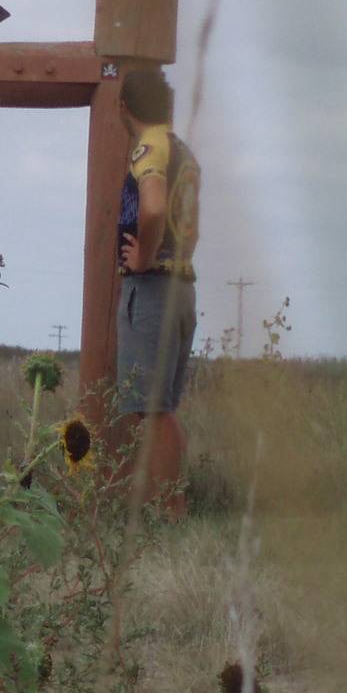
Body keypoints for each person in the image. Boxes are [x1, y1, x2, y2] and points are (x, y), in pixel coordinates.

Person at [113, 64, 199, 514]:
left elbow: (153, 207)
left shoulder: (150, 147)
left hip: (153, 287)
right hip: (183, 283)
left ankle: (170, 510)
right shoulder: (183, 150)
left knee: (150, 409)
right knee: (164, 408)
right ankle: (174, 505)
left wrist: (144, 257)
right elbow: (191, 227)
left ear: (124, 106)